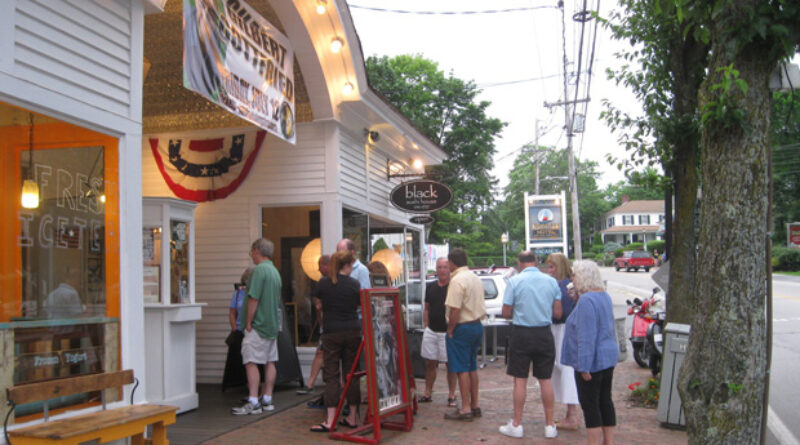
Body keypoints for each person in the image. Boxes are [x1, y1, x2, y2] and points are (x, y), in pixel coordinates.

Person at [499, 251, 562, 439]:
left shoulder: (514, 282)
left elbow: (505, 311)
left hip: (522, 333)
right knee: (545, 379)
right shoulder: (551, 282)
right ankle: (550, 424)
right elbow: (558, 313)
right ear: (536, 262)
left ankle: (517, 424)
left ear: (519, 263)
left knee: (520, 379)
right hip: (543, 332)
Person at [561, 260, 619, 445]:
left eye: (575, 275)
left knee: (590, 405)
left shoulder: (587, 301)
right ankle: (608, 441)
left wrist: (584, 366)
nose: (572, 278)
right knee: (605, 401)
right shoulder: (603, 295)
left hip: (592, 361)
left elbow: (586, 336)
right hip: (607, 358)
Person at [310, 251, 362, 432]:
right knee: (351, 374)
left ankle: (330, 420)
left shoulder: (324, 283)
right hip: (353, 330)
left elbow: (316, 298)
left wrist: (322, 305)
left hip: (332, 332)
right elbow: (359, 304)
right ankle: (352, 417)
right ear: (346, 265)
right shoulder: (355, 284)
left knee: (331, 375)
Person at [232, 238, 282, 415]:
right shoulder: (274, 271)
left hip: (258, 324)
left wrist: (247, 322)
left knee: (251, 361)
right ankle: (267, 398)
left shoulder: (259, 271)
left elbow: (254, 297)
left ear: (257, 250)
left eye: (252, 251)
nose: (251, 255)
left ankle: (253, 400)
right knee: (270, 361)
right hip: (271, 324)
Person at [443, 248, 486, 422]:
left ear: (452, 262)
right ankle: (475, 404)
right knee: (471, 366)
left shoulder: (457, 280)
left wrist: (451, 329)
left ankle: (465, 407)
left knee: (461, 368)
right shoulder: (475, 278)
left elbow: (455, 308)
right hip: (476, 325)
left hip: (462, 326)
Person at [546, 253, 581, 430]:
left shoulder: (562, 286)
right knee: (562, 367)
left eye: (552, 267)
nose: (550, 270)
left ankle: (572, 414)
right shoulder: (567, 284)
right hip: (563, 329)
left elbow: (561, 312)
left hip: (562, 329)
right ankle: (570, 413)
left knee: (565, 367)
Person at [419, 258, 458, 406]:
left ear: (450, 270)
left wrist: (452, 329)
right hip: (431, 331)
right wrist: (426, 325)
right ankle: (427, 392)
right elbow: (427, 308)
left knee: (450, 365)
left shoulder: (453, 287)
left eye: (445, 267)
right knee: (430, 363)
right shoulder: (430, 287)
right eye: (439, 267)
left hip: (447, 332)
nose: (442, 270)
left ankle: (452, 394)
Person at [297, 255, 330, 395]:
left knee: (323, 353)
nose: (318, 269)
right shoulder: (323, 281)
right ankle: (310, 383)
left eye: (320, 265)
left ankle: (312, 383)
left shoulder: (332, 281)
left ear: (326, 265)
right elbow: (317, 301)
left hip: (332, 325)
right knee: (320, 353)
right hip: (327, 325)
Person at [222, 266, 254, 392]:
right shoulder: (238, 293)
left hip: (252, 329)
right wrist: (234, 328)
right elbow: (232, 312)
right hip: (240, 329)